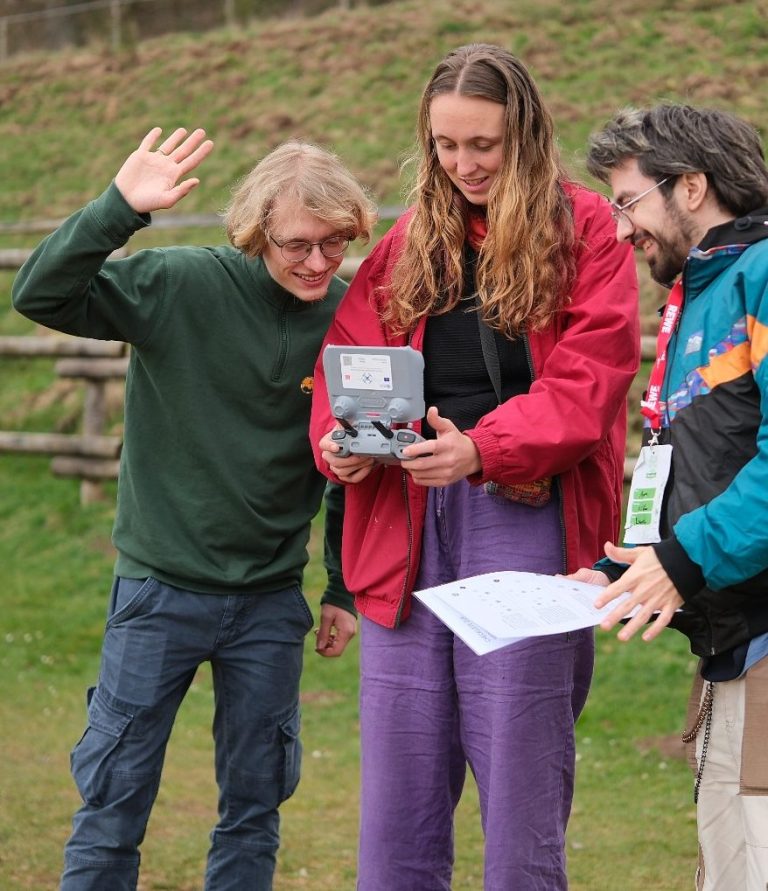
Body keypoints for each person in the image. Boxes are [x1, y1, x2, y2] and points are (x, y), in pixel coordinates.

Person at [309, 44, 640, 891]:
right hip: (401, 518)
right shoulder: (407, 241)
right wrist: (341, 445)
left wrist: (483, 448)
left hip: (524, 510)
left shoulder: (585, 230)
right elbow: (348, 357)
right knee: (400, 785)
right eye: (447, 145)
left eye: (483, 144)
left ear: (524, 133)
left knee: (522, 767)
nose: (465, 164)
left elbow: (590, 380)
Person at [12, 127, 376, 891]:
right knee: (113, 799)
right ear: (256, 231)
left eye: (334, 243)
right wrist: (117, 208)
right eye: (297, 244)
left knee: (254, 807)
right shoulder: (177, 284)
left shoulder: (349, 322)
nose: (318, 262)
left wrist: (342, 588)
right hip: (159, 592)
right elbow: (39, 293)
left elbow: (355, 461)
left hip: (270, 602)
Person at [577, 104, 768, 891]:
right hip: (728, 645)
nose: (621, 228)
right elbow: (700, 462)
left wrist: (686, 558)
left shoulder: (762, 274)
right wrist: (634, 565)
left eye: (628, 201)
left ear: (691, 187)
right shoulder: (697, 290)